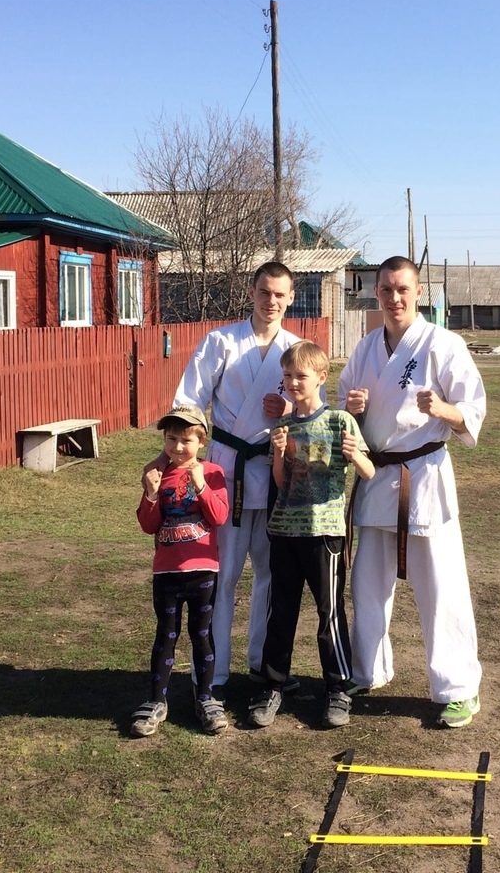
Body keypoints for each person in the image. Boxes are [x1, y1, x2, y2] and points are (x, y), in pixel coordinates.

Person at [338, 255, 488, 728]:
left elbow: (473, 409)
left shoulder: (443, 344)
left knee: (441, 587)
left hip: (423, 478)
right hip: (375, 475)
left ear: (418, 292)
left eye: (402, 289)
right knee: (367, 584)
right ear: (376, 293)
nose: (394, 298)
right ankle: (367, 670)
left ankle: (458, 688)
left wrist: (444, 410)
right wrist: (352, 408)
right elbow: (344, 412)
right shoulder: (366, 348)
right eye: (386, 289)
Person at [169, 262, 300, 691]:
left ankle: (261, 661)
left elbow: (313, 409)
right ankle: (213, 669)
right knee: (221, 574)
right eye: (264, 292)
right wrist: (182, 457)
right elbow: (189, 401)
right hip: (226, 472)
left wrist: (290, 410)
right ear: (251, 292)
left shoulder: (297, 349)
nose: (271, 301)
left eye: (279, 294)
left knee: (269, 572)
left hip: (275, 470)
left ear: (291, 298)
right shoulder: (221, 341)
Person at [248, 341, 374, 730]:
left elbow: (369, 472)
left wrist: (355, 455)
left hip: (324, 532)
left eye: (300, 376)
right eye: (287, 376)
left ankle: (338, 688)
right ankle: (273, 685)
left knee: (329, 612)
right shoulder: (282, 426)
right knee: (280, 610)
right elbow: (281, 482)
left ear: (321, 377)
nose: (292, 383)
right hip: (285, 529)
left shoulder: (340, 421)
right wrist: (279, 453)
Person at [132, 404, 230, 738]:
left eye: (186, 440)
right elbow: (148, 525)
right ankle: (156, 700)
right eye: (171, 438)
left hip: (203, 571)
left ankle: (206, 697)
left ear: (201, 441)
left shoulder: (213, 472)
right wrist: (151, 493)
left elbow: (219, 517)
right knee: (166, 634)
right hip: (167, 572)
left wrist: (201, 485)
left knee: (201, 635)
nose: (177, 447)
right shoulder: (157, 474)